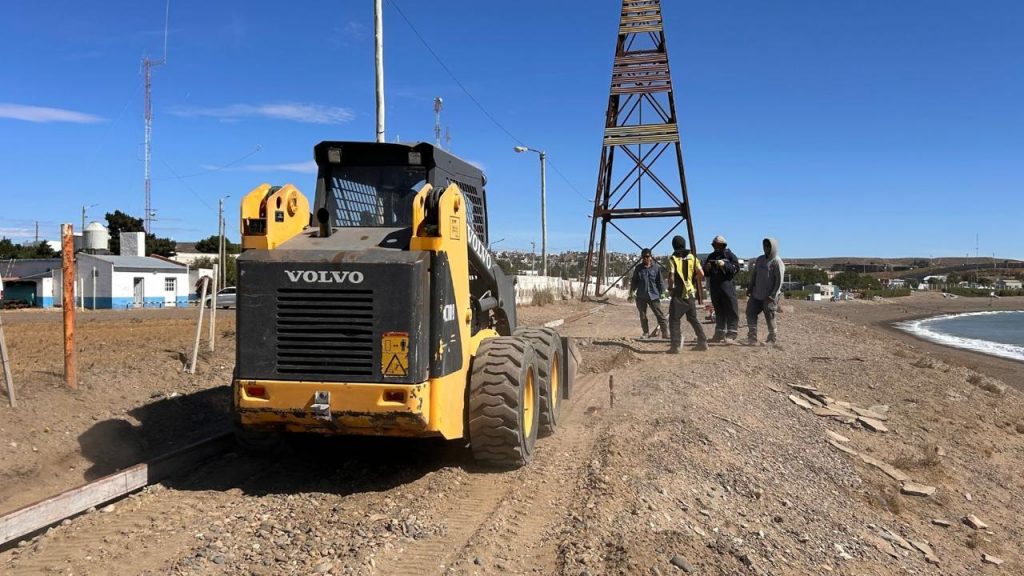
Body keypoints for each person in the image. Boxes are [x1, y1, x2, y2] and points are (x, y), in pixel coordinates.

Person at [665, 235, 708, 353]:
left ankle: (675, 346)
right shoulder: (692, 258)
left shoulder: (673, 259)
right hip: (690, 292)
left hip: (679, 293)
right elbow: (701, 273)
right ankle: (702, 341)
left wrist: (670, 287)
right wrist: (693, 280)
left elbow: (672, 277)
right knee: (692, 318)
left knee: (674, 319)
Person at [746, 237, 785, 345]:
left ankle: (772, 339)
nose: (766, 248)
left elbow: (779, 281)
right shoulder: (760, 259)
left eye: (768, 246)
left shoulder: (777, 262)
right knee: (750, 312)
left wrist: (773, 295)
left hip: (769, 296)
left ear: (773, 247)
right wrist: (750, 287)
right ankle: (752, 338)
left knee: (770, 317)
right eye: (764, 246)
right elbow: (754, 275)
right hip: (756, 294)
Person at [702, 235, 741, 343]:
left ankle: (732, 333)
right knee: (719, 311)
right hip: (715, 288)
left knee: (731, 310)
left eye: (716, 245)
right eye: (713, 245)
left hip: (727, 287)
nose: (715, 247)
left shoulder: (730, 256)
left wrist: (725, 264)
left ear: (722, 245)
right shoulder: (711, 256)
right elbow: (705, 272)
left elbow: (735, 269)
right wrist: (707, 268)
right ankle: (719, 333)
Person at [629, 248, 668, 339]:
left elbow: (660, 281)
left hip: (653, 295)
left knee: (659, 315)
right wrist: (631, 292)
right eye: (643, 257)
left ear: (650, 257)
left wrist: (662, 291)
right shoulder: (638, 268)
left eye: (647, 256)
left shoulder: (656, 268)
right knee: (643, 315)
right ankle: (645, 333)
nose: (645, 258)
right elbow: (634, 281)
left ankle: (665, 333)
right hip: (641, 296)